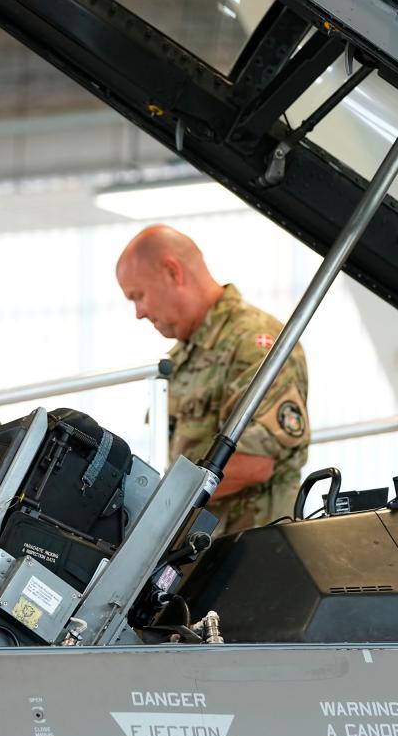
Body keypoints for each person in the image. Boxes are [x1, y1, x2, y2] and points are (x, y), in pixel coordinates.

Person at [116, 224, 310, 534]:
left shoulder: (253, 342)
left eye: (138, 296)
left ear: (172, 271)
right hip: (203, 546)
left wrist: (158, 509)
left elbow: (253, 462)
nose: (139, 313)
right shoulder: (183, 356)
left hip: (253, 550)